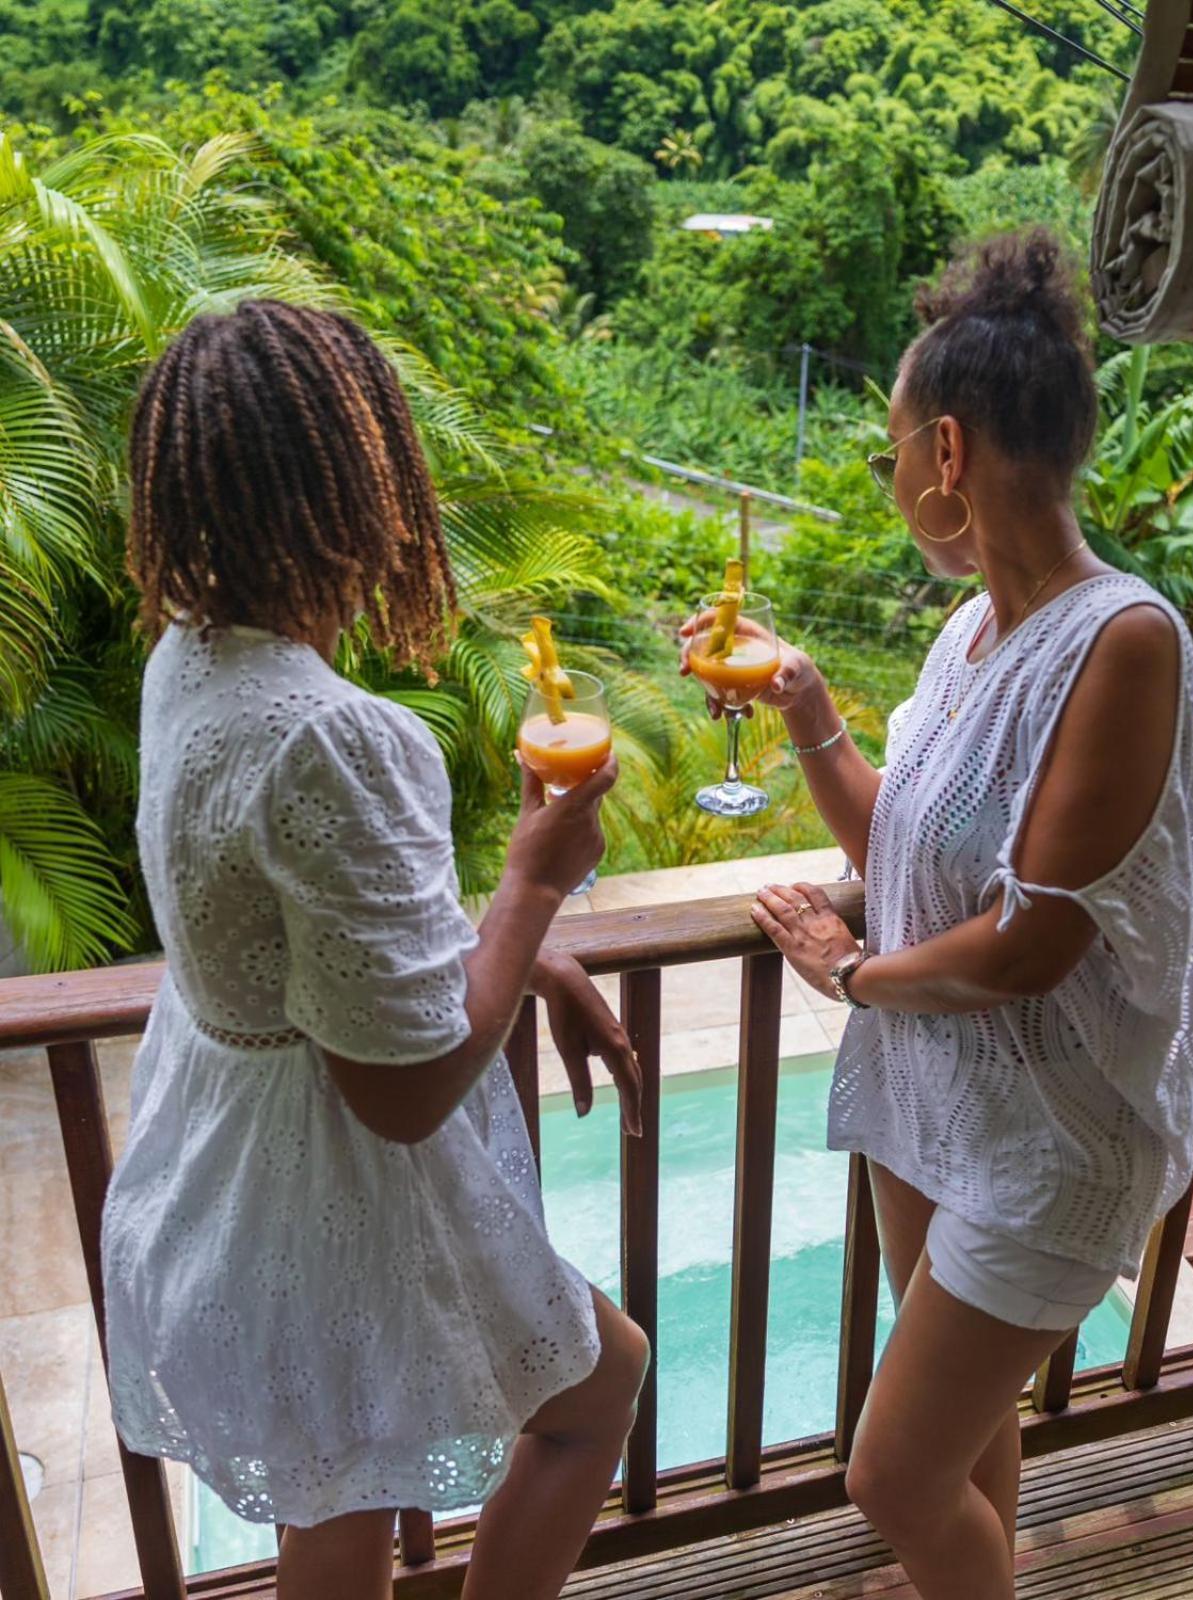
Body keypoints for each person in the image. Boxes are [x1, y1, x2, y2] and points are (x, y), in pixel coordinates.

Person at [681, 230, 1193, 1599]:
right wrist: (807, 716)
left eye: (895, 449)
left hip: (1051, 1136)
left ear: (951, 454)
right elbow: (908, 849)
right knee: (964, 1450)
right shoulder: (967, 634)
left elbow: (1033, 942)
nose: (895, 474)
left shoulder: (1123, 641)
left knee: (891, 1472)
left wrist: (852, 975)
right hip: (939, 1105)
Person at [102, 300, 649, 1600]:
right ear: (352, 490)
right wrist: (531, 887)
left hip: (229, 1177)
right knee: (592, 1394)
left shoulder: (187, 664)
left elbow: (313, 940)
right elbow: (403, 1092)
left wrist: (506, 951)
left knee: (336, 1519)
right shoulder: (334, 736)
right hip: (326, 1194)